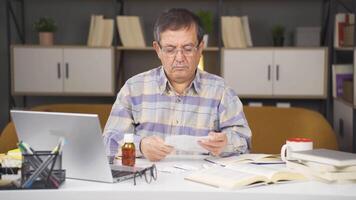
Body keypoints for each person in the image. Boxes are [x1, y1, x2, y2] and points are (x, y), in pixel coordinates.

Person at [103, 8, 251, 161]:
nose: (179, 58)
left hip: (201, 182)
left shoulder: (221, 91)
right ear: (158, 50)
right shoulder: (133, 89)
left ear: (200, 48)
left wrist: (226, 143)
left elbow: (244, 142)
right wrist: (140, 146)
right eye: (170, 49)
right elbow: (108, 142)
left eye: (187, 49)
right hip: (148, 181)